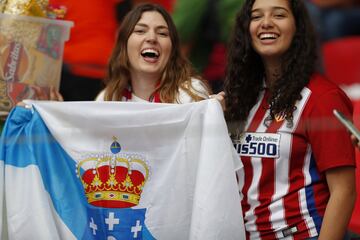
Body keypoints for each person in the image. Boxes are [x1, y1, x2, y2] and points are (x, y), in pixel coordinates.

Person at [223, 0, 356, 239]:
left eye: (279, 15)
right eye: (256, 16)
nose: (266, 23)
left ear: (298, 28)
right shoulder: (241, 99)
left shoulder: (323, 97)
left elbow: (344, 191)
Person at [96, 3, 210, 103]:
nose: (152, 38)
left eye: (162, 33)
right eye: (140, 31)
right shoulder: (108, 98)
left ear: (172, 50)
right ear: (123, 46)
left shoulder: (190, 93)